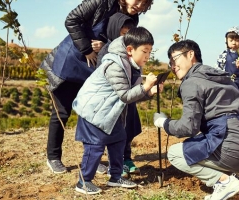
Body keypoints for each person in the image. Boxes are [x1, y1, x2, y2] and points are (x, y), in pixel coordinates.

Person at [40, 0, 153, 174]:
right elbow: (71, 19)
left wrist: (105, 46)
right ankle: (53, 157)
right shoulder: (101, 1)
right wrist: (86, 48)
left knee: (93, 112)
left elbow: (120, 42)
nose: (139, 5)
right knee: (61, 112)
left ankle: (92, 158)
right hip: (72, 60)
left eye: (144, 3)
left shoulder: (132, 17)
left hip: (95, 66)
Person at [153, 39, 239, 200]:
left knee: (175, 154)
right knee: (204, 138)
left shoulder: (191, 82)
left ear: (190, 54)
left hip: (235, 150)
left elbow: (188, 128)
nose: (172, 65)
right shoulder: (222, 77)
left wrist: (163, 123)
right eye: (170, 62)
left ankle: (224, 182)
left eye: (175, 59)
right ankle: (234, 175)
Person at [72, 26, 162, 195]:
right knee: (95, 146)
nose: (148, 57)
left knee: (119, 139)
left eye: (150, 52)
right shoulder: (115, 64)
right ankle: (83, 182)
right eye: (145, 51)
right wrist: (146, 86)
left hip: (109, 112)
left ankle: (115, 177)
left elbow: (132, 94)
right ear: (130, 49)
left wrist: (149, 92)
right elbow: (125, 96)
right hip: (94, 112)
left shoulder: (131, 64)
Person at [96, 13, 141, 177]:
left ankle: (127, 159)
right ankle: (114, 164)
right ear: (115, 31)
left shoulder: (131, 52)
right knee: (114, 133)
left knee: (128, 129)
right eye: (123, 34)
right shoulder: (107, 51)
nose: (126, 38)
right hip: (114, 100)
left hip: (128, 98)